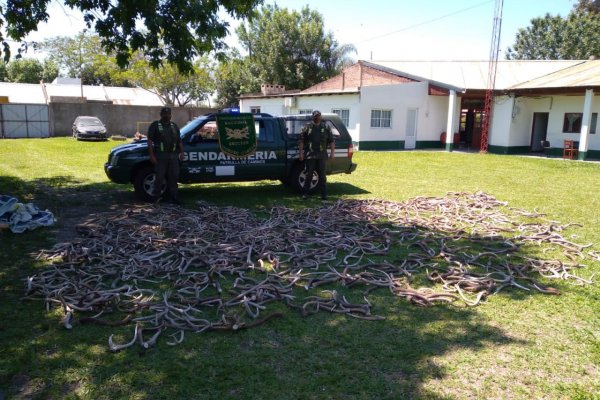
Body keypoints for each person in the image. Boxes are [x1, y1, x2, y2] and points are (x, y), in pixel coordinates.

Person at [147, 107, 184, 204]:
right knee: (159, 178)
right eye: (164, 114)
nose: (167, 116)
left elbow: (179, 140)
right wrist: (152, 155)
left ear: (171, 115)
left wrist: (182, 152)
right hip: (160, 157)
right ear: (161, 115)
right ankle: (156, 198)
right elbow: (150, 141)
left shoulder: (174, 126)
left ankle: (174, 197)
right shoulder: (155, 125)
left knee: (174, 177)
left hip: (173, 157)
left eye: (168, 114)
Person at [298, 110, 335, 200]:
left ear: (321, 117)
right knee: (309, 174)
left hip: (322, 155)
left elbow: (331, 141)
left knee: (322, 175)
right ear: (313, 117)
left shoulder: (326, 127)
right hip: (310, 154)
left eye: (318, 116)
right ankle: (306, 193)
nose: (317, 117)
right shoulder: (307, 127)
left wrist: (332, 153)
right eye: (315, 116)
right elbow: (301, 140)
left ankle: (324, 194)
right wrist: (301, 153)